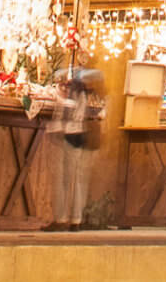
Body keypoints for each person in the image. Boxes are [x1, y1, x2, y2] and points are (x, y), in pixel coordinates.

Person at [48, 64, 104, 228]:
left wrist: (56, 128)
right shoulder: (86, 94)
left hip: (71, 134)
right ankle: (75, 219)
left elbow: (67, 114)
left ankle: (62, 218)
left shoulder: (74, 92)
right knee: (78, 179)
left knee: (64, 179)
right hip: (81, 135)